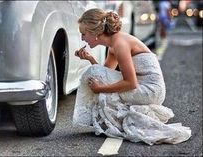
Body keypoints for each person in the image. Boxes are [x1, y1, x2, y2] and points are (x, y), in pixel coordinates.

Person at [72, 8, 191, 145]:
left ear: (95, 32)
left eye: (83, 34)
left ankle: (107, 121)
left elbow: (131, 83)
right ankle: (102, 119)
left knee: (94, 78)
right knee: (93, 74)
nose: (82, 38)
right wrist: (90, 59)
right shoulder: (113, 45)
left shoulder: (119, 44)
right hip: (142, 86)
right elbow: (103, 73)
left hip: (150, 91)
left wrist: (100, 89)